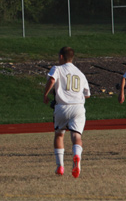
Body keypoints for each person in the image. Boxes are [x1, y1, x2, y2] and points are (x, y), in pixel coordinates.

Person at [43, 47, 90, 178]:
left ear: (62, 56)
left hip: (62, 107)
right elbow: (87, 94)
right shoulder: (80, 73)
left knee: (59, 135)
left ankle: (60, 166)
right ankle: (76, 156)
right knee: (77, 136)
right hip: (78, 107)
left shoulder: (57, 69)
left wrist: (45, 94)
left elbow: (52, 79)